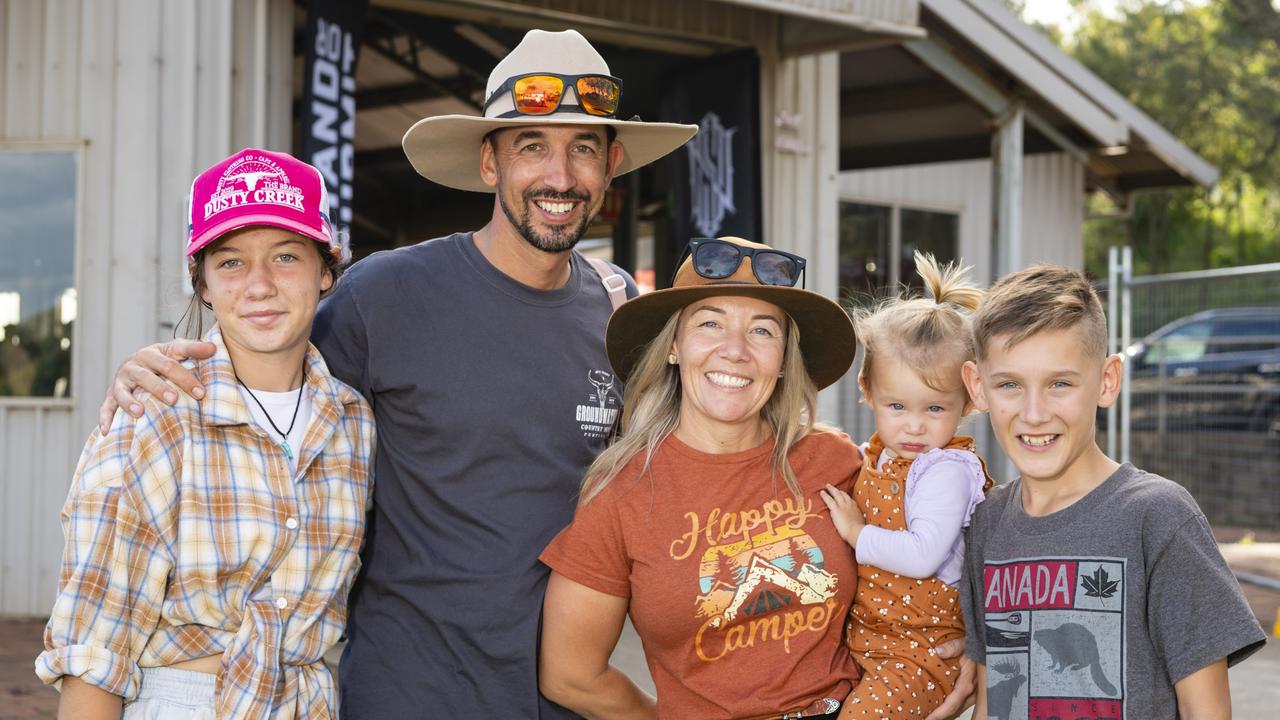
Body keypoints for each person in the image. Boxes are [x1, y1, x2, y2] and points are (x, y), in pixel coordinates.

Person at [93, 30, 699, 718]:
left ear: (612, 163)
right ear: (489, 163)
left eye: (583, 148)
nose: (559, 175)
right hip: (409, 691)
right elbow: (262, 387)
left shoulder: (620, 316)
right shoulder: (383, 296)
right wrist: (157, 366)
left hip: (563, 693)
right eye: (531, 145)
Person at [538, 237, 969, 719]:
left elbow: (946, 541)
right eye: (710, 323)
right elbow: (571, 675)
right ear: (674, 348)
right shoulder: (621, 494)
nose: (736, 350)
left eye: (763, 331)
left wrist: (972, 645)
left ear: (784, 359)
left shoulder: (836, 460)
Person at [36, 148, 374, 718]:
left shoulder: (353, 424)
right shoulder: (155, 416)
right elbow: (96, 639)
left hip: (310, 702)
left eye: (286, 256)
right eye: (232, 262)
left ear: (326, 272)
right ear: (203, 283)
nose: (260, 284)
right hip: (185, 700)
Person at [958, 265, 1267, 719]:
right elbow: (992, 701)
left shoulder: (1157, 517)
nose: (1034, 412)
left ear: (1106, 381)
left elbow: (1209, 712)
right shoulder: (985, 523)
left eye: (1059, 383)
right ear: (977, 387)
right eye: (1010, 384)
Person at [819, 252, 993, 718]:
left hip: (920, 652)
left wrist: (855, 534)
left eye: (934, 409)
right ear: (867, 389)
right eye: (897, 406)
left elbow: (922, 555)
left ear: (968, 401)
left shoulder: (946, 470)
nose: (915, 427)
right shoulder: (873, 455)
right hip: (870, 640)